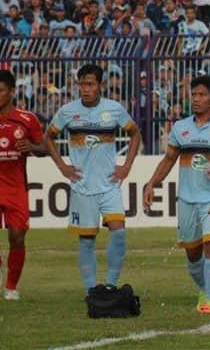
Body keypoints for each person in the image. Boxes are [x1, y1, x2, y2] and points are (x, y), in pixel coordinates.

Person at [143, 75, 210, 314]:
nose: (196, 99)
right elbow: (168, 159)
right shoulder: (180, 127)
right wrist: (151, 184)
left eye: (202, 94)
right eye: (194, 94)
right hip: (186, 199)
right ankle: (205, 289)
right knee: (193, 254)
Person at [45, 64, 141, 293]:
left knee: (119, 235)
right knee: (87, 242)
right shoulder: (67, 111)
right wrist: (62, 166)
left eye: (90, 84)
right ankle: (91, 292)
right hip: (82, 187)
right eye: (82, 84)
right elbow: (47, 137)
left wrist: (126, 166)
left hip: (109, 184)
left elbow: (135, 133)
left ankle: (110, 286)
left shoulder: (114, 109)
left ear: (101, 85)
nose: (85, 89)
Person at [0, 70, 45, 300]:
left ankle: (11, 287)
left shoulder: (27, 120)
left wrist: (32, 147)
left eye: (0, 91)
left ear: (11, 92)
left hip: (16, 187)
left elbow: (44, 148)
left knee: (17, 236)